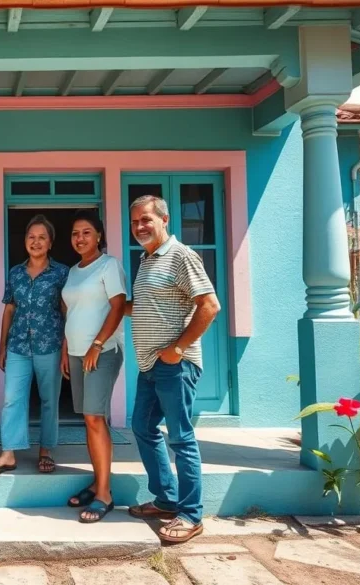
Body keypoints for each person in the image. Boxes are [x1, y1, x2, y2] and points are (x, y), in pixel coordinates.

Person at [126, 195, 220, 544]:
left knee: (180, 437)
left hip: (174, 365)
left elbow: (210, 305)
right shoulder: (147, 258)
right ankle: (166, 498)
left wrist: (177, 349)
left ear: (164, 219)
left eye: (147, 219)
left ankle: (191, 514)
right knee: (142, 427)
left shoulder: (181, 255)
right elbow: (150, 305)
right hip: (150, 364)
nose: (140, 227)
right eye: (135, 221)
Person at [0, 215, 69, 477]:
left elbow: (67, 313)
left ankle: (46, 450)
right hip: (18, 345)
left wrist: (65, 348)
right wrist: (2, 347)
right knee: (12, 400)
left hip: (50, 345)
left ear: (50, 243)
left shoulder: (62, 273)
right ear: (25, 241)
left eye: (42, 237)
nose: (36, 241)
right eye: (31, 237)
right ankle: (8, 453)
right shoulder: (15, 273)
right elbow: (9, 309)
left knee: (49, 400)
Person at [60, 211, 128, 523]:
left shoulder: (109, 264)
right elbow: (70, 313)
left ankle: (104, 494)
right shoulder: (74, 271)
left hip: (101, 352)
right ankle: (97, 482)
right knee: (88, 420)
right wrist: (65, 350)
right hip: (76, 353)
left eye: (87, 232)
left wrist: (97, 344)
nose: (80, 238)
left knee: (95, 418)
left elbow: (118, 306)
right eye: (75, 233)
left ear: (99, 236)